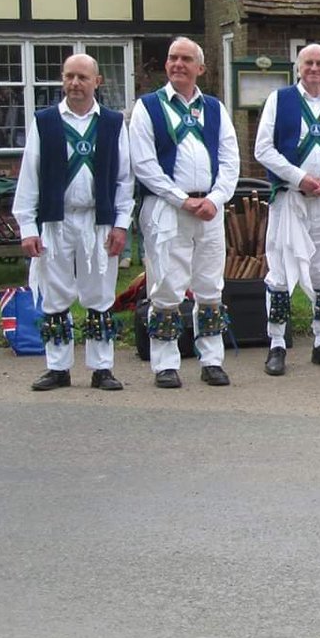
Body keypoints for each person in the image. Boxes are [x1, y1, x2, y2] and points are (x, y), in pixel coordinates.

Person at [12, 54, 134, 391]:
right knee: (55, 295)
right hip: (56, 221)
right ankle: (58, 368)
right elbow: (29, 177)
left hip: (99, 223)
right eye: (69, 77)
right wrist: (28, 228)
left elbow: (125, 179)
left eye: (82, 77)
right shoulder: (46, 121)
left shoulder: (112, 123)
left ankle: (102, 368)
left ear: (97, 81)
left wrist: (121, 224)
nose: (74, 83)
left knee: (100, 294)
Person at [130, 37, 240, 388]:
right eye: (172, 58)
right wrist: (181, 199)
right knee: (166, 284)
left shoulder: (214, 108)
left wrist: (217, 198)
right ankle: (165, 364)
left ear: (200, 68)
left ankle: (212, 359)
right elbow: (144, 164)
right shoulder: (148, 107)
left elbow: (229, 159)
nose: (178, 64)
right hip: (166, 209)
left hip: (209, 208)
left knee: (210, 285)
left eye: (186, 59)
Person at [254, 43, 320, 375]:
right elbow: (263, 148)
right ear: (298, 68)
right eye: (308, 63)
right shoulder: (280, 100)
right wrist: (300, 178)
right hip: (290, 198)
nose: (314, 68)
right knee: (281, 272)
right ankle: (276, 345)